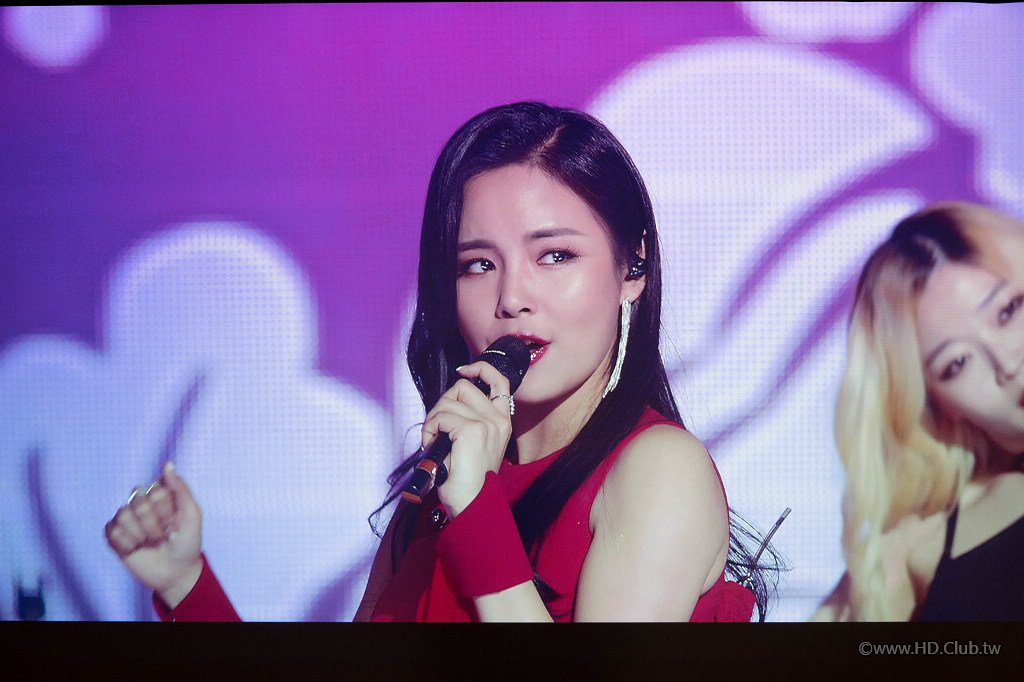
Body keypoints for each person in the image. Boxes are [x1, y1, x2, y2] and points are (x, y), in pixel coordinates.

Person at [105, 101, 775, 622]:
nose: (511, 298)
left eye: (555, 256)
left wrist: (478, 512)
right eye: (478, 265)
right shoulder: (444, 483)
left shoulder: (656, 468)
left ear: (634, 266)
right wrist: (185, 584)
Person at [814, 201, 1024, 621]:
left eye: (1008, 311)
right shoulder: (917, 550)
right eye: (957, 364)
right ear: (942, 408)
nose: (1007, 363)